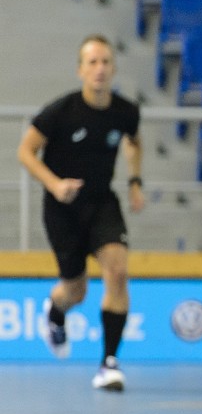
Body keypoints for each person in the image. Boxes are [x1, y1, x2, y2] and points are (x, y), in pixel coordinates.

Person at [17, 34, 145, 392]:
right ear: (80, 70)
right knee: (76, 291)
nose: (100, 69)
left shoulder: (125, 111)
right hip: (63, 209)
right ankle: (55, 312)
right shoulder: (60, 111)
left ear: (114, 68)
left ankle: (109, 364)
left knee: (117, 270)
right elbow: (25, 152)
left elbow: (134, 141)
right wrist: (55, 185)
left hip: (102, 202)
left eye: (105, 61)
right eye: (92, 62)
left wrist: (135, 180)